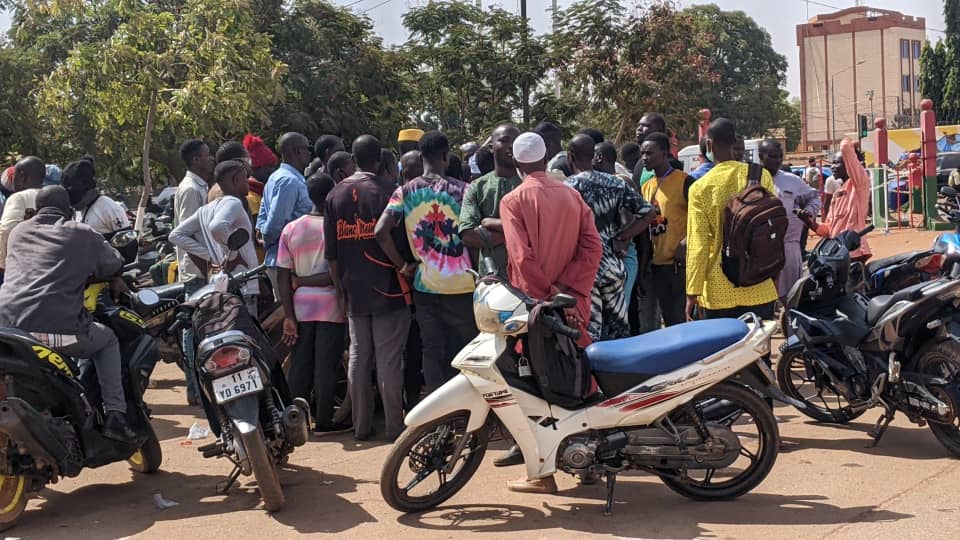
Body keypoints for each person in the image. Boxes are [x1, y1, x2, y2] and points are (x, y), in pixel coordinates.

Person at [500, 132, 602, 494]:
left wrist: (548, 293)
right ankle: (591, 461)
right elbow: (593, 246)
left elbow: (522, 258)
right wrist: (568, 290)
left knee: (535, 387)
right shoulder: (571, 195)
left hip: (536, 309)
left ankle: (542, 474)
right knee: (581, 379)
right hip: (573, 304)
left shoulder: (513, 200)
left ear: (516, 164)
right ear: (548, 158)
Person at [0, 186, 135, 441]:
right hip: (57, 331)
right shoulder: (81, 232)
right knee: (107, 340)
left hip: (9, 329)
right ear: (70, 211)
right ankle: (116, 415)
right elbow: (114, 262)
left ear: (36, 210)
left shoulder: (18, 232)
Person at [376, 130, 477, 392]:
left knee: (432, 351)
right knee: (466, 352)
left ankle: (439, 417)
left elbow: (380, 232)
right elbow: (472, 236)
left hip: (425, 286)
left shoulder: (404, 191)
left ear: (421, 157)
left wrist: (402, 265)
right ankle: (466, 413)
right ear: (446, 156)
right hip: (463, 287)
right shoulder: (465, 191)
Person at [325, 134, 409, 441]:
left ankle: (361, 426)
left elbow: (331, 255)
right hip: (388, 286)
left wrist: (339, 290)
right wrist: (403, 266)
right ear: (380, 160)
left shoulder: (334, 195)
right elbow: (401, 241)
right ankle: (394, 427)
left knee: (359, 358)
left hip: (352, 290)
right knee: (388, 360)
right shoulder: (389, 190)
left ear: (354, 158)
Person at [277, 173, 350, 434]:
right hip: (331, 305)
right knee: (325, 365)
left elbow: (283, 275)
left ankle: (294, 420)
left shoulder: (291, 228)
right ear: (331, 196)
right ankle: (324, 420)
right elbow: (336, 274)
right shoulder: (335, 228)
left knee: (301, 363)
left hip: (300, 306)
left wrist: (288, 315)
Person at [686, 118, 779, 321]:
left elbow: (698, 244)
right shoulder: (761, 176)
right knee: (757, 350)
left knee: (722, 352)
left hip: (719, 287)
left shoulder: (700, 188)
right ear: (733, 141)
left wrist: (692, 291)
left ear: (709, 144)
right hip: (759, 282)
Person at [566, 134, 650, 341]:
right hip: (613, 266)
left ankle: (594, 373)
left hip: (585, 272)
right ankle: (621, 372)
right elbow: (648, 214)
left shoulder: (567, 189)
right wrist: (622, 237)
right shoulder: (615, 184)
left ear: (570, 157)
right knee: (619, 329)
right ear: (593, 155)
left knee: (591, 335)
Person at [169, 160, 260, 315]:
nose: (247, 184)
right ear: (236, 180)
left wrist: (210, 257)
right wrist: (233, 256)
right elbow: (217, 227)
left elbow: (175, 235)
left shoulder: (204, 210)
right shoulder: (234, 202)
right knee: (248, 332)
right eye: (245, 179)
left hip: (223, 284)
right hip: (243, 283)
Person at [173, 139, 215, 405]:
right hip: (197, 271)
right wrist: (206, 265)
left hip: (203, 267)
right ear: (196, 159)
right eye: (207, 155)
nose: (211, 160)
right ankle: (195, 388)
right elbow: (186, 236)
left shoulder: (199, 187)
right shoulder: (190, 190)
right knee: (193, 330)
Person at [640, 132, 695, 327]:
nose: (645, 158)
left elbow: (701, 218)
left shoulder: (685, 182)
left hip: (678, 264)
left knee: (681, 318)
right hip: (657, 264)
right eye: (642, 153)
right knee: (667, 319)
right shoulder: (647, 186)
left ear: (664, 153)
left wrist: (687, 240)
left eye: (650, 153)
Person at [759, 139, 821, 301]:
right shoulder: (751, 181)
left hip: (788, 249)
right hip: (760, 253)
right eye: (773, 156)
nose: (778, 160)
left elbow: (814, 198)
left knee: (790, 299)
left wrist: (808, 214)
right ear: (761, 157)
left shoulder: (792, 181)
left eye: (780, 156)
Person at [459, 124, 521, 279]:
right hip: (492, 279)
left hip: (530, 280)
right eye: (504, 140)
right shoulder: (477, 187)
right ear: (491, 147)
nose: (511, 145)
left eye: (516, 141)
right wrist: (519, 234)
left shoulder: (532, 184)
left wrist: (490, 229)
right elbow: (468, 235)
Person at [257, 132, 314, 298]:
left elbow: (262, 220)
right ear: (296, 151)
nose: (309, 153)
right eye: (307, 149)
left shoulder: (276, 177)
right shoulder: (289, 181)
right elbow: (273, 225)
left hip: (286, 260)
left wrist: (264, 234)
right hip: (288, 264)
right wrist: (268, 238)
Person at [806, 139, 873, 263]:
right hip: (836, 254)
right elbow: (828, 230)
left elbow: (845, 146)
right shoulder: (838, 194)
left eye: (837, 163)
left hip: (854, 253)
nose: (832, 167)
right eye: (832, 163)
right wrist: (811, 223)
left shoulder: (859, 184)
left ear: (849, 164)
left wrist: (852, 144)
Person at [61, 159, 131, 238]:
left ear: (88, 190)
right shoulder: (77, 212)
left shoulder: (107, 207)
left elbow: (127, 243)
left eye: (74, 194)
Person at [0, 156, 46, 271]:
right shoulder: (54, 197)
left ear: (21, 176)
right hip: (47, 266)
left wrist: (2, 263)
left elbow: (6, 230)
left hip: (19, 267)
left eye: (14, 176)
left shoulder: (19, 197)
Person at [632, 112, 683, 187]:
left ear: (659, 131)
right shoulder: (640, 163)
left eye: (645, 125)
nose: (639, 129)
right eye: (639, 125)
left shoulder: (671, 165)